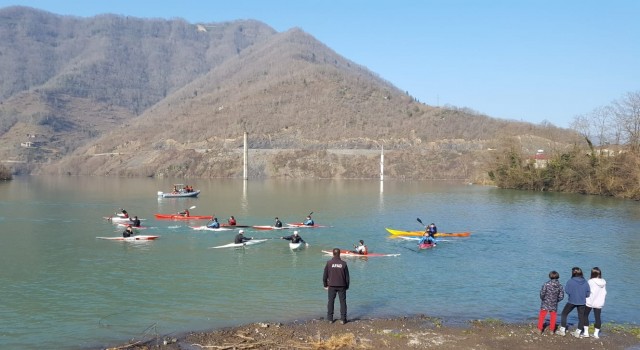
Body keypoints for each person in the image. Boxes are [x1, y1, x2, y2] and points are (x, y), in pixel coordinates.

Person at [558, 267, 590, 337]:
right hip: (582, 302)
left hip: (572, 301)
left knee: (564, 313)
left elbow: (567, 291)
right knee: (581, 317)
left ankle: (562, 330)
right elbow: (588, 293)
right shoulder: (585, 282)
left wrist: (572, 294)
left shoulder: (570, 281)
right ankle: (578, 332)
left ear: (573, 273)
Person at [323, 248, 350, 324]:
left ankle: (330, 319)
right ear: (339, 254)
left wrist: (325, 285)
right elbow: (347, 277)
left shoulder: (329, 263)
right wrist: (347, 286)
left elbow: (325, 276)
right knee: (343, 302)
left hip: (331, 286)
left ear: (333, 254)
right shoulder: (344, 263)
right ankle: (343, 319)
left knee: (331, 301)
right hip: (342, 286)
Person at [584, 267, 607, 339]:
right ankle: (596, 334)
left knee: (585, 315)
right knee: (597, 317)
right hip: (599, 302)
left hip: (590, 301)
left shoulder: (590, 281)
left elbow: (587, 291)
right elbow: (604, 292)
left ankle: (586, 332)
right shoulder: (603, 281)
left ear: (592, 273)